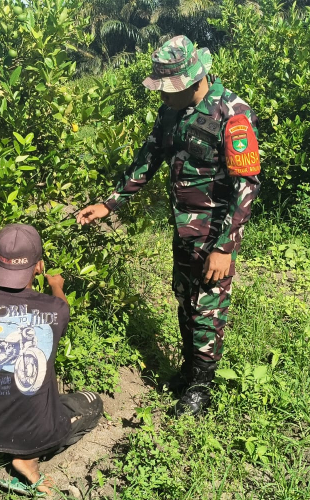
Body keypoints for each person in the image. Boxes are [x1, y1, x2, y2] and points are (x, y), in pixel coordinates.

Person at [76, 36, 261, 416]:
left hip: (215, 234)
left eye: (168, 89)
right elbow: (148, 160)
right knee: (184, 300)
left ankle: (201, 388)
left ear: (194, 81)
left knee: (207, 307)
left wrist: (224, 247)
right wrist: (108, 204)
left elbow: (247, 186)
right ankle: (190, 369)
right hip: (183, 230)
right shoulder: (170, 114)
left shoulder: (232, 114)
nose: (162, 96)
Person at [0, 223, 103, 496]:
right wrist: (57, 286)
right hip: (38, 436)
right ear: (38, 267)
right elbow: (61, 305)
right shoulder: (56, 308)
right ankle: (27, 458)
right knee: (92, 402)